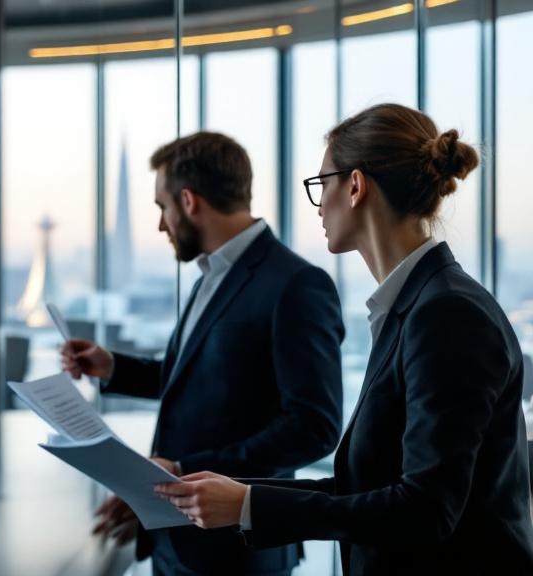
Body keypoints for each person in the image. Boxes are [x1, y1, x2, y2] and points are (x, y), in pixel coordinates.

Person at [155, 104, 533, 574]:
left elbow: (425, 510)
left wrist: (250, 505)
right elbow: (372, 485)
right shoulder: (418, 305)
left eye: (321, 184)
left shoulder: (446, 314)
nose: (318, 204)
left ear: (355, 186)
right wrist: (244, 498)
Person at [61, 132, 344, 575]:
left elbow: (314, 428)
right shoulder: (210, 276)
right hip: (176, 542)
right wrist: (112, 366)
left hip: (237, 553)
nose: (160, 224)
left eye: (162, 207)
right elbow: (202, 381)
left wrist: (181, 470)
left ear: (189, 202)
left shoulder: (295, 285)